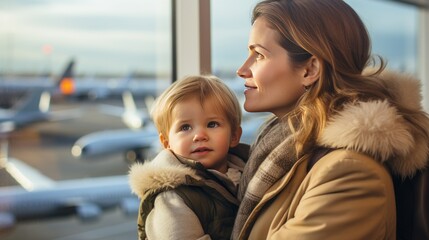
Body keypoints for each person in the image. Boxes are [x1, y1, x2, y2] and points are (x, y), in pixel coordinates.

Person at [232, 0, 429, 239]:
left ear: (310, 70)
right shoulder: (278, 149)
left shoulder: (351, 174)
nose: (242, 69)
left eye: (259, 55)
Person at [129, 75, 248, 240]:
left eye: (212, 124)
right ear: (166, 142)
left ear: (234, 135)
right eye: (185, 127)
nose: (199, 135)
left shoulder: (247, 171)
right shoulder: (172, 199)